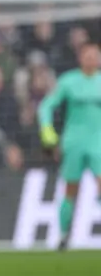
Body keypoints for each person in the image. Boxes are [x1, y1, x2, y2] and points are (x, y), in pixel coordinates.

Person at [38, 42, 101, 251]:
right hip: (74, 141)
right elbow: (46, 105)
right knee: (70, 189)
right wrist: (47, 131)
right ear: (80, 58)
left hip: (98, 141)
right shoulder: (68, 81)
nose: (92, 59)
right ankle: (64, 235)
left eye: (95, 55)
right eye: (88, 55)